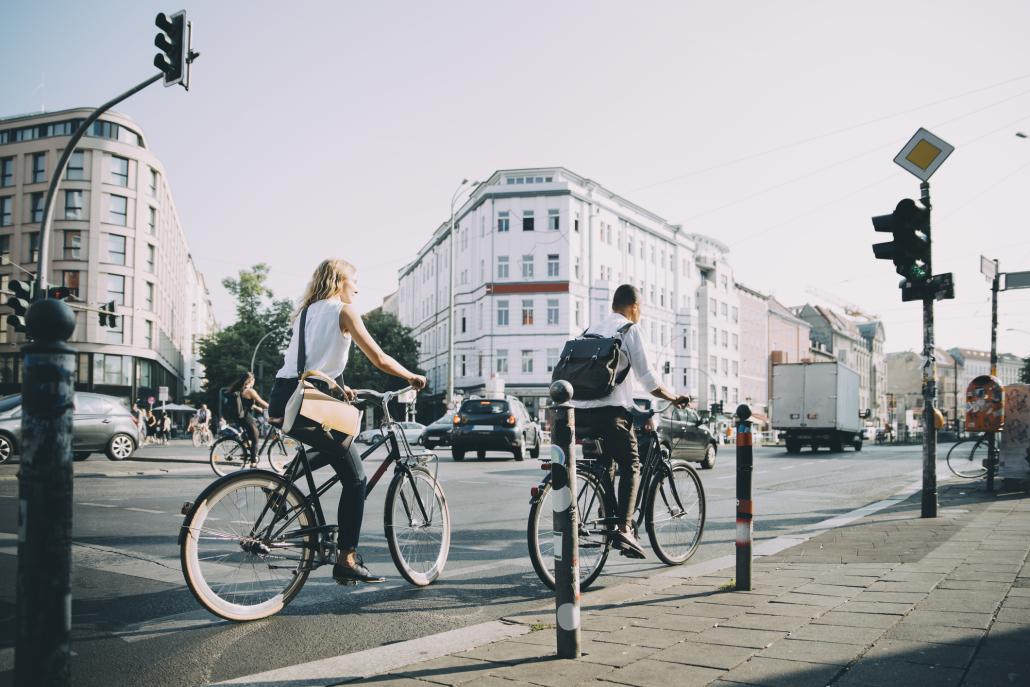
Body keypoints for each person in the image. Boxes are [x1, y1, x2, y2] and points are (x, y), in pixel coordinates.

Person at [268, 258, 426, 584]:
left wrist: (339, 386)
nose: (357, 286)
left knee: (333, 448)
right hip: (309, 400)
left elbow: (311, 360)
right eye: (354, 280)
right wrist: (411, 377)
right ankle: (347, 558)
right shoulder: (344, 311)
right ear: (340, 281)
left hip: (284, 395)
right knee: (355, 479)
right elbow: (379, 358)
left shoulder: (305, 313)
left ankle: (282, 488)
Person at [571, 283, 691, 559]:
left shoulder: (590, 330)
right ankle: (624, 528)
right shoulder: (629, 330)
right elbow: (648, 380)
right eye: (641, 309)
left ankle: (606, 514)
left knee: (608, 464)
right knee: (632, 463)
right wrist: (674, 397)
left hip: (578, 413)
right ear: (634, 307)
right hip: (610, 414)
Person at [226, 372, 269, 462]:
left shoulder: (241, 390)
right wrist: (272, 408)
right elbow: (261, 401)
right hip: (245, 417)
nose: (254, 382)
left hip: (238, 416)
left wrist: (257, 408)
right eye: (253, 380)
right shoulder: (250, 391)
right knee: (255, 437)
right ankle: (253, 461)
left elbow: (245, 405)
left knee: (255, 425)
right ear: (251, 380)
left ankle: (245, 448)